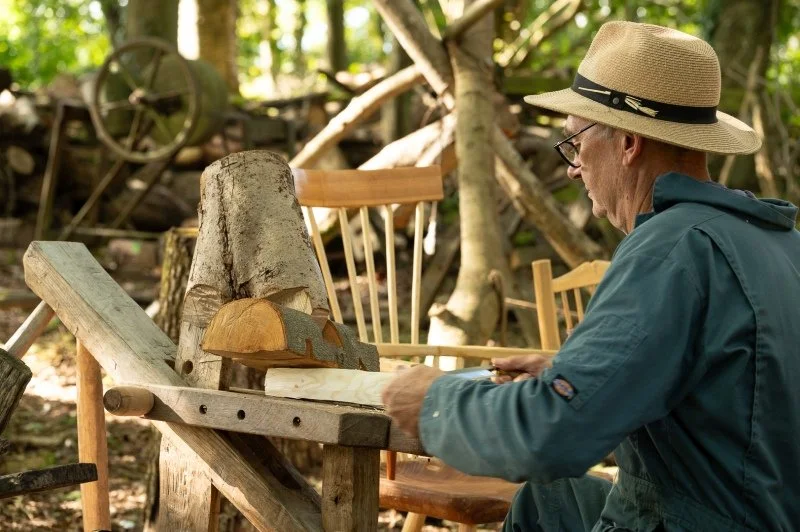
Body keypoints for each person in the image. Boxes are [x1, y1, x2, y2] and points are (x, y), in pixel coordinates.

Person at [382, 21, 800, 531]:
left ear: (627, 143)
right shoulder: (778, 242)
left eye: (574, 142)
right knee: (552, 500)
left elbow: (548, 437)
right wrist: (574, 372)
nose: (573, 168)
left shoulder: (670, 250)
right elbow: (731, 396)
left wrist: (433, 403)